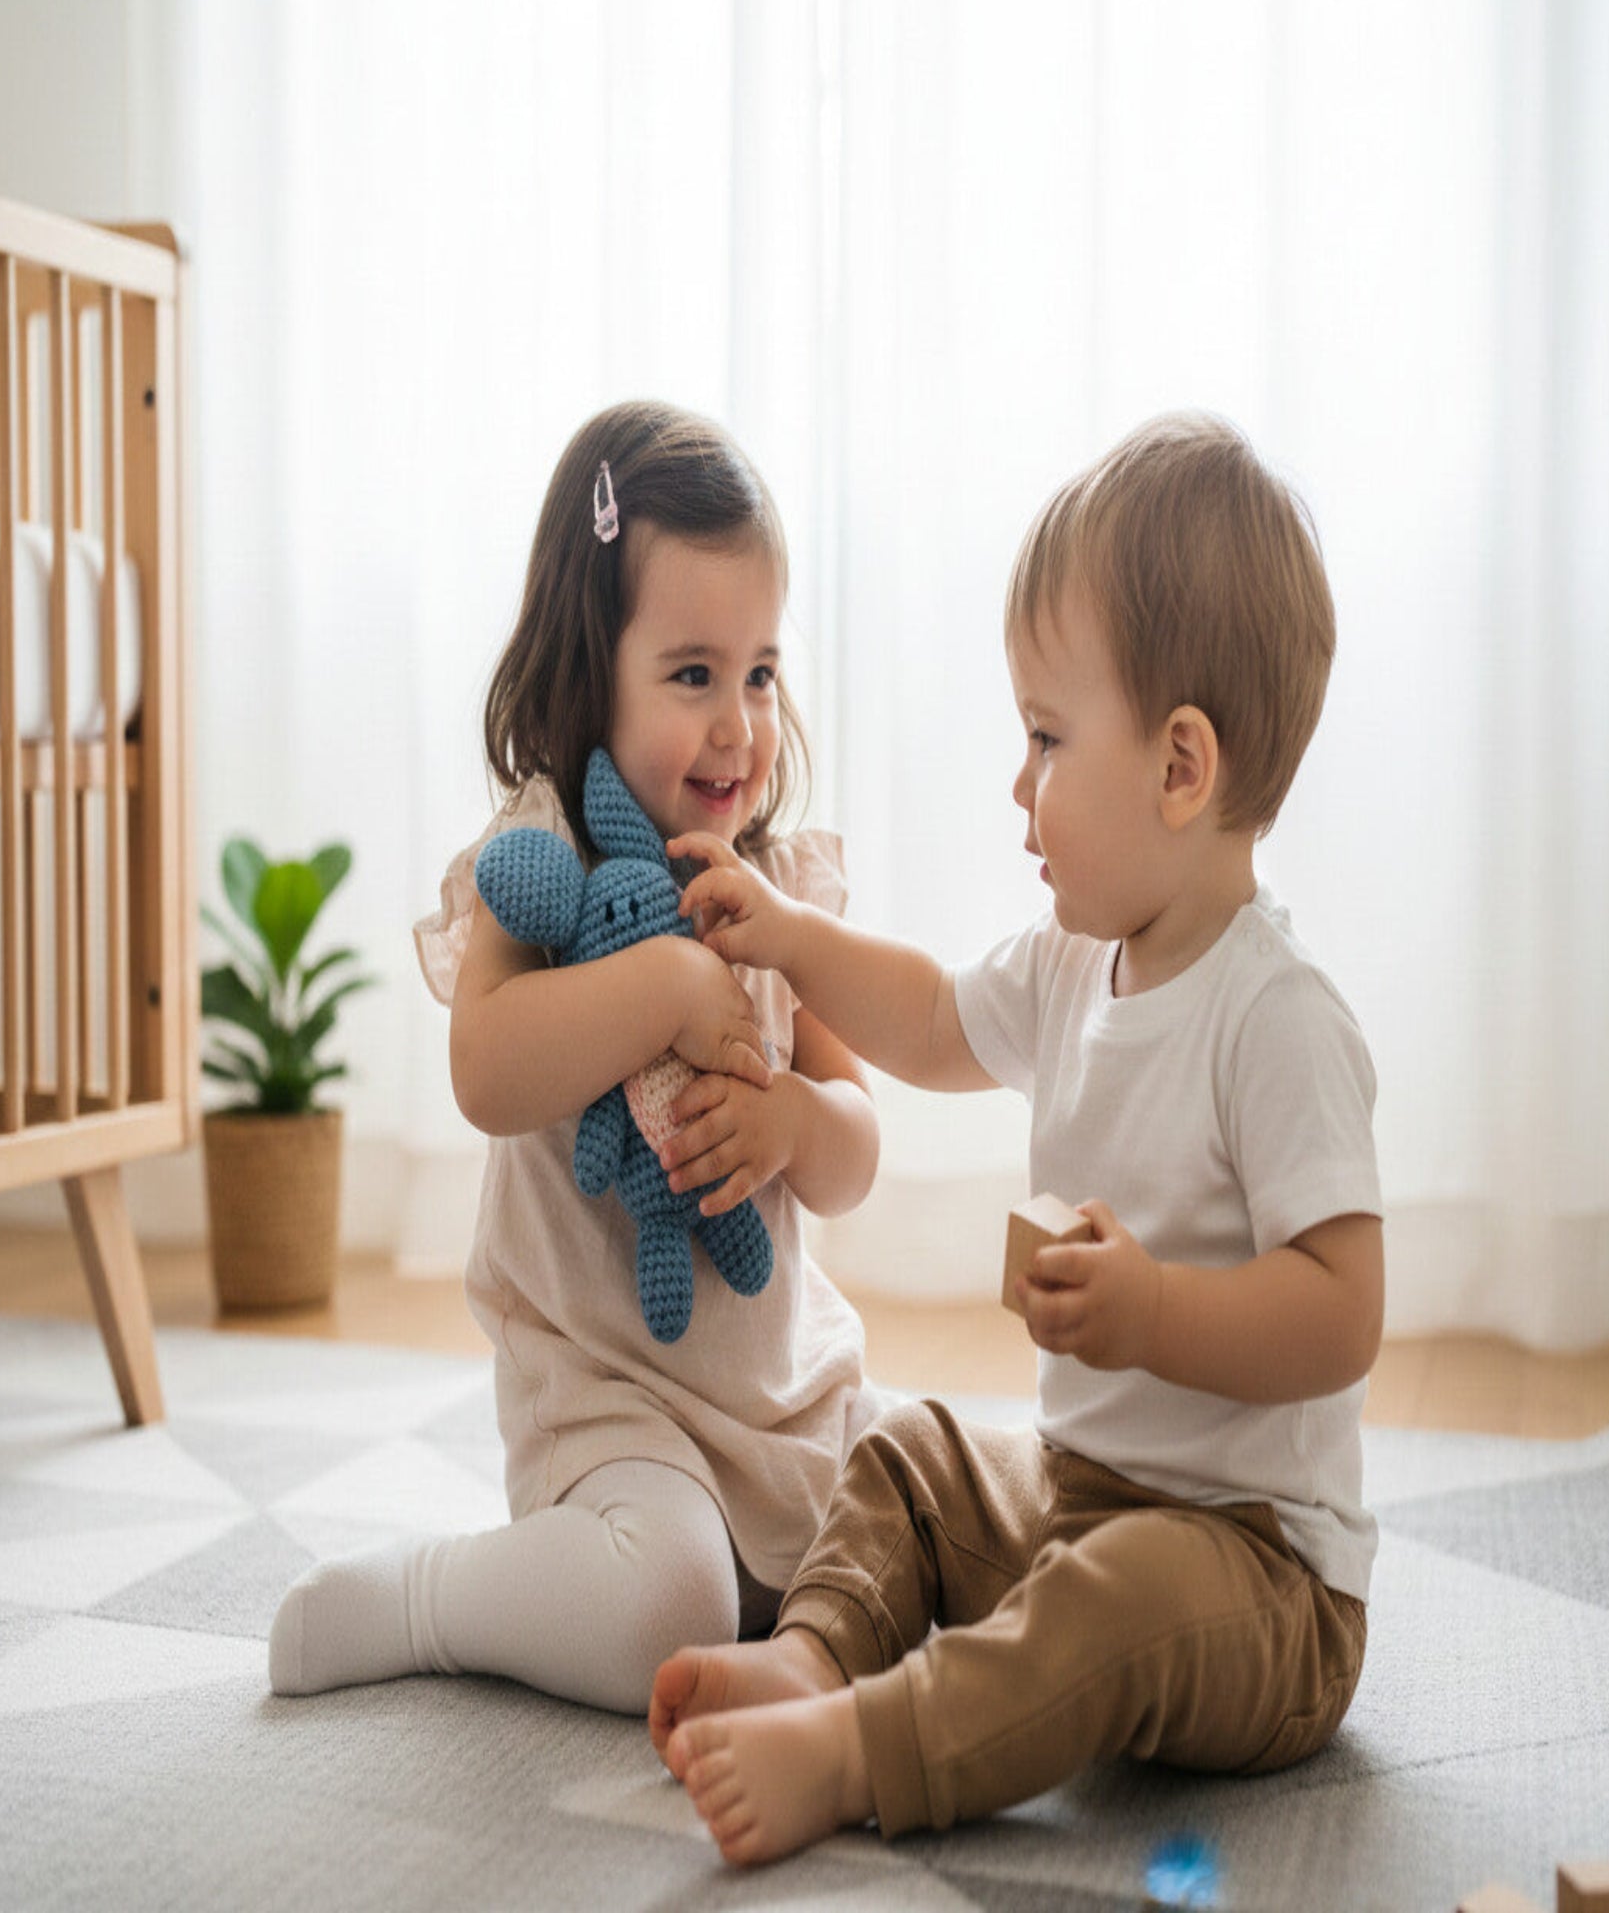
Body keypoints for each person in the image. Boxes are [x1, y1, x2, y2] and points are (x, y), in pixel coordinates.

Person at [648, 412, 1384, 1865]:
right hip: (1082, 1499)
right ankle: (814, 1656)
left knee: (1101, 1606)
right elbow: (924, 1018)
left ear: (1181, 767)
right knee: (908, 1448)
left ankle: (856, 1749)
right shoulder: (1071, 965)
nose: (1016, 784)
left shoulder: (1273, 1014)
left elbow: (1343, 1312)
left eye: (1045, 739)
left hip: (1254, 1573)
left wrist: (1157, 1308)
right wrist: (792, 936)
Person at [267, 400, 884, 1712]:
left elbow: (856, 1142)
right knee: (664, 1598)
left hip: (791, 1402)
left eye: (759, 672)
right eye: (691, 673)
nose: (738, 725)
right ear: (586, 665)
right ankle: (428, 1596)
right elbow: (487, 1067)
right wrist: (658, 980)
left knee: (945, 1496)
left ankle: (795, 1626)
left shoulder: (782, 884)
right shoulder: (538, 864)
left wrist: (792, 1128)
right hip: (611, 1412)